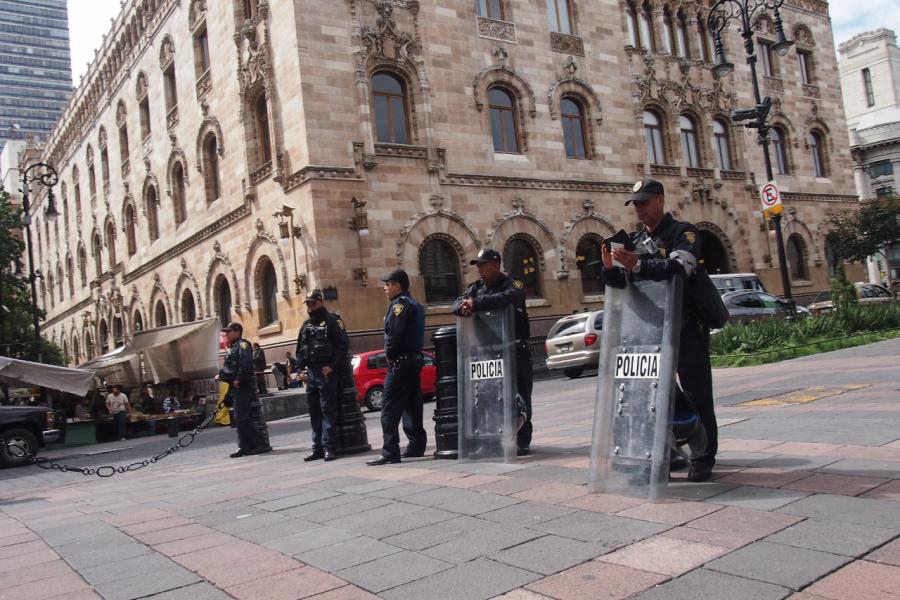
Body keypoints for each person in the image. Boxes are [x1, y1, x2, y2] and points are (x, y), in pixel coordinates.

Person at [600, 177, 718, 483]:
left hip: (685, 326)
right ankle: (665, 451)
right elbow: (623, 286)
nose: (638, 208)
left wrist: (637, 265)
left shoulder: (684, 233)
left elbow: (681, 267)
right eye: (635, 204)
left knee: (696, 392)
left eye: (644, 202)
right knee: (654, 395)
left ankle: (704, 456)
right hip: (649, 332)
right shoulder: (635, 242)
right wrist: (611, 268)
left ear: (660, 200)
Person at [453, 248, 534, 455]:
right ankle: (490, 439)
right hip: (488, 354)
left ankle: (521, 441)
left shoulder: (512, 284)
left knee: (520, 397)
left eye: (483, 264)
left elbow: (509, 297)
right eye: (477, 265)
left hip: (514, 350)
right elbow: (456, 304)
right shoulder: (475, 288)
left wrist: (476, 303)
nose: (479, 269)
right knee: (488, 397)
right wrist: (464, 305)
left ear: (496, 265)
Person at [367, 269, 427, 466]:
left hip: (400, 362)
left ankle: (390, 451)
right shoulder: (415, 304)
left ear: (397, 286)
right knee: (412, 404)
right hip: (415, 360)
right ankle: (416, 446)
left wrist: (390, 354)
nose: (385, 288)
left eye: (388, 284)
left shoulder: (399, 306)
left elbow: (395, 334)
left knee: (389, 407)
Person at [295, 289, 349, 462]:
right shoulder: (306, 325)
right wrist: (299, 370)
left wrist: (332, 367)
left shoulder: (333, 321)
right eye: (308, 304)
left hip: (325, 373)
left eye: (313, 303)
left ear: (321, 302)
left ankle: (329, 448)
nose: (310, 307)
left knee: (327, 410)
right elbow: (300, 350)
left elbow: (343, 346)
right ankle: (317, 447)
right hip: (310, 373)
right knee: (314, 411)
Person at [221, 322, 272, 458]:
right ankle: (244, 446)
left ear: (237, 332)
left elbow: (246, 365)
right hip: (234, 386)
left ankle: (259, 443)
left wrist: (238, 379)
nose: (226, 334)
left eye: (229, 332)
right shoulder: (232, 348)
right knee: (239, 418)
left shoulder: (243, 345)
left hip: (243, 386)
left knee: (242, 418)